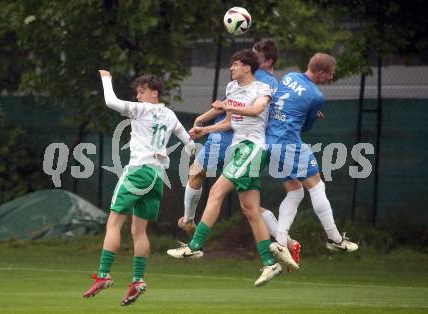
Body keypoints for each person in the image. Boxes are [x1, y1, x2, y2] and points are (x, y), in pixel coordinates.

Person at [177, 40, 301, 271]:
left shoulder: (265, 84)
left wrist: (307, 110)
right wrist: (204, 124)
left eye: (237, 63)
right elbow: (226, 112)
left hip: (247, 145)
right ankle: (276, 255)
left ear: (260, 63)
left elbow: (257, 109)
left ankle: (192, 234)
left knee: (206, 182)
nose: (232, 68)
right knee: (250, 208)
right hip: (233, 140)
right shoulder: (234, 86)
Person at [83, 71, 195, 306]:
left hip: (138, 170)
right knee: (139, 231)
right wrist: (195, 149)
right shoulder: (170, 115)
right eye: (137, 92)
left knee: (114, 222)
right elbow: (189, 143)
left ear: (155, 93)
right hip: (157, 176)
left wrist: (105, 78)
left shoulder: (141, 109)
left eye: (142, 91)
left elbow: (110, 102)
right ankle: (138, 280)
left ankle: (103, 275)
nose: (138, 96)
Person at [265, 53, 358, 267]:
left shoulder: (288, 77)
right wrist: (314, 116)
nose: (330, 79)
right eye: (330, 75)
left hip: (270, 141)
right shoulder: (316, 96)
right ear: (320, 72)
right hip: (288, 141)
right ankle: (335, 239)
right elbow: (305, 127)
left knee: (295, 191)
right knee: (317, 187)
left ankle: (280, 242)